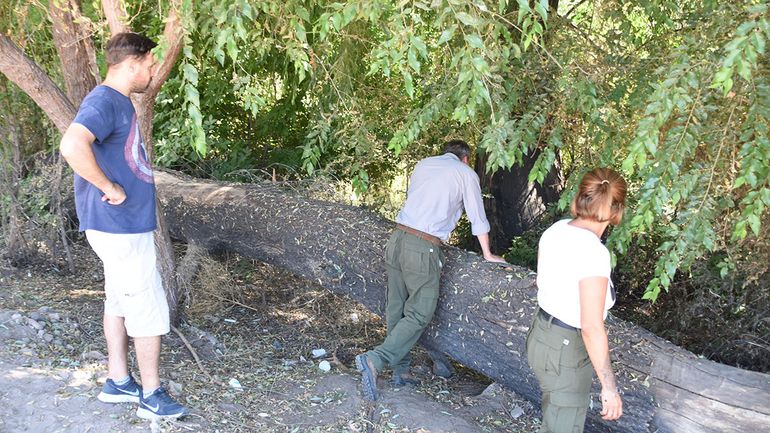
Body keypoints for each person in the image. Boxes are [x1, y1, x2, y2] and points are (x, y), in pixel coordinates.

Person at [59, 32, 187, 420]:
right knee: (146, 305)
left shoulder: (117, 101)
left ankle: (118, 381)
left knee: (118, 299)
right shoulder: (104, 100)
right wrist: (107, 185)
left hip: (119, 226)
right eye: (150, 63)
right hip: (119, 225)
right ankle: (152, 394)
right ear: (132, 63)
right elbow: (71, 145)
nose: (152, 69)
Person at [355, 139, 507, 401]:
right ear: (466, 158)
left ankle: (400, 371)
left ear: (445, 153)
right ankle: (375, 360)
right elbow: (477, 217)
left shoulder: (424, 164)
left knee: (397, 307)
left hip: (397, 239)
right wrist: (487, 254)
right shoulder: (465, 174)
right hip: (422, 246)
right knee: (420, 312)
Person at [526, 167, 627, 432]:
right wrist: (609, 387)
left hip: (542, 335)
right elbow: (592, 327)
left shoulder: (556, 230)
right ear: (617, 211)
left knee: (555, 417)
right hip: (566, 350)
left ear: (579, 198)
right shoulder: (593, 253)